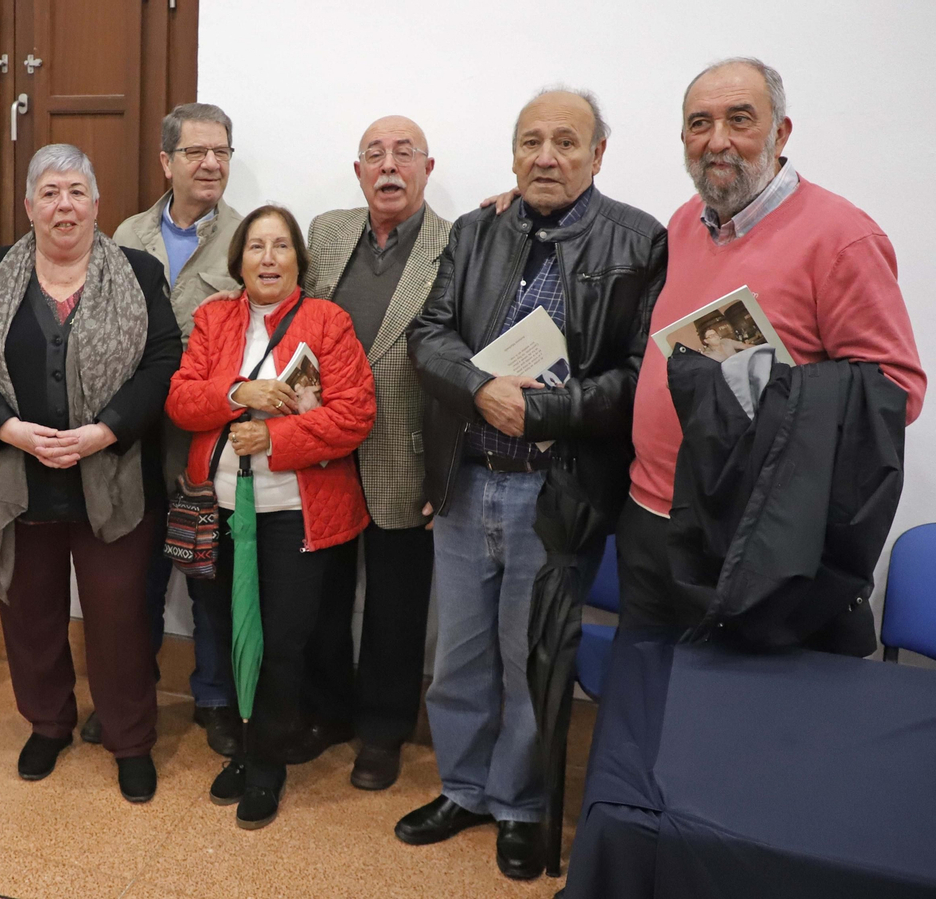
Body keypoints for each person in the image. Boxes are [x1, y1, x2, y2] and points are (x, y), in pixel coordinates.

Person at [405, 88, 667, 880]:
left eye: (565, 142)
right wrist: (481, 386)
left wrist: (551, 409)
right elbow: (427, 334)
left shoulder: (638, 240)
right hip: (466, 476)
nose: (545, 157)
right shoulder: (477, 230)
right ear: (512, 152)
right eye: (530, 142)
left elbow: (638, 373)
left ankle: (520, 805)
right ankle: (464, 788)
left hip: (556, 488)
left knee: (530, 660)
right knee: (457, 657)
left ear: (597, 154)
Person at [621, 58, 925, 633]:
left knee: (727, 716)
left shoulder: (842, 238)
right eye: (699, 123)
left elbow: (898, 393)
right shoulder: (687, 222)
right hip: (650, 513)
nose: (717, 141)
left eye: (740, 120)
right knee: (645, 701)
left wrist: (767, 388)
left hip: (746, 536)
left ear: (781, 133)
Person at [0, 144, 182, 803]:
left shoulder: (137, 271)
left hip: (115, 479)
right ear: (28, 207)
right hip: (20, 483)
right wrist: (11, 429)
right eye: (49, 192)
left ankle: (130, 739)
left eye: (76, 191)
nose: (63, 205)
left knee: (120, 620)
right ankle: (47, 723)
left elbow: (165, 361)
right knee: (31, 615)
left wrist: (106, 430)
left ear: (97, 204)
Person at [167, 205, 376, 829]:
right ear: (238, 262)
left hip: (296, 517)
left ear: (298, 262)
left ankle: (267, 763)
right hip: (223, 511)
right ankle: (246, 743)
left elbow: (353, 417)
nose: (267, 258)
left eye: (280, 247)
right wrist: (238, 393)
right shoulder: (213, 318)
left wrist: (276, 439)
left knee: (282, 642)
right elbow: (181, 399)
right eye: (255, 247)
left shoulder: (327, 322)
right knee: (232, 633)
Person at [296, 115, 453, 790]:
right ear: (358, 170)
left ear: (428, 167)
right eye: (374, 155)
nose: (388, 166)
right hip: (323, 446)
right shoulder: (328, 231)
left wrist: (444, 474)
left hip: (406, 451)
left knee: (396, 602)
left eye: (403, 154)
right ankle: (329, 710)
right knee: (323, 593)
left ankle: (384, 731)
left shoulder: (459, 244)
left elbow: (463, 360)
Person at [108, 102, 244, 756]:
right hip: (134, 440)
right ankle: (126, 696)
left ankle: (215, 699)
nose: (212, 163)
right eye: (197, 152)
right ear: (167, 161)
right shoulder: (127, 236)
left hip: (208, 442)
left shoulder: (250, 239)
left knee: (209, 576)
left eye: (221, 151)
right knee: (135, 580)